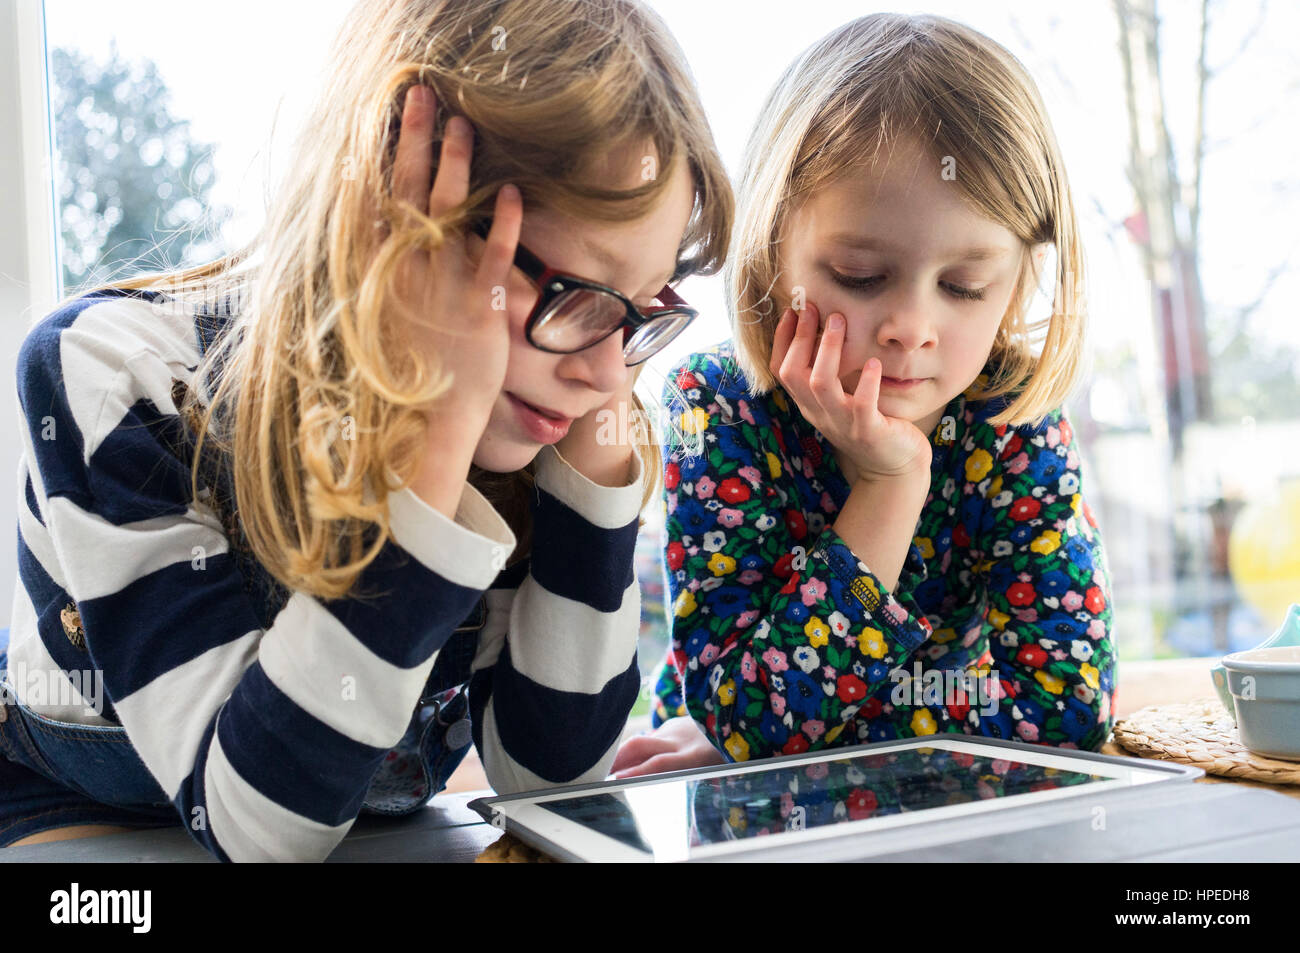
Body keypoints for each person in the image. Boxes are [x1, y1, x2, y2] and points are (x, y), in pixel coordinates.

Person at [0, 0, 732, 859]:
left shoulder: (545, 404)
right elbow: (258, 830)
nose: (609, 371)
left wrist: (592, 469)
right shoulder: (114, 374)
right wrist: (436, 437)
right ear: (394, 220)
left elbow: (554, 782)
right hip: (91, 818)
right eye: (572, 293)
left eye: (645, 312)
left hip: (364, 822)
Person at [612, 12, 1114, 778]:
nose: (911, 328)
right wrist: (890, 487)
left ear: (1015, 284)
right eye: (860, 274)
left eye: (964, 286)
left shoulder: (1014, 422)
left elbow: (1066, 712)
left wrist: (801, 733)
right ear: (772, 249)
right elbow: (751, 718)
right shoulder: (714, 409)